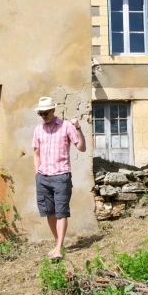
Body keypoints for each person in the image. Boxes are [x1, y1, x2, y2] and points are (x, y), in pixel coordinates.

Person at [32, 96, 86, 259]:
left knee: (61, 212)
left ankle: (59, 248)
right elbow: (36, 153)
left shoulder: (66, 127)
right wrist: (37, 174)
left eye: (46, 112)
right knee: (49, 212)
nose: (44, 115)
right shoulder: (38, 130)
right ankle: (58, 244)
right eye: (41, 113)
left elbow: (82, 148)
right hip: (43, 177)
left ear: (53, 110)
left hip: (61, 176)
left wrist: (78, 128)